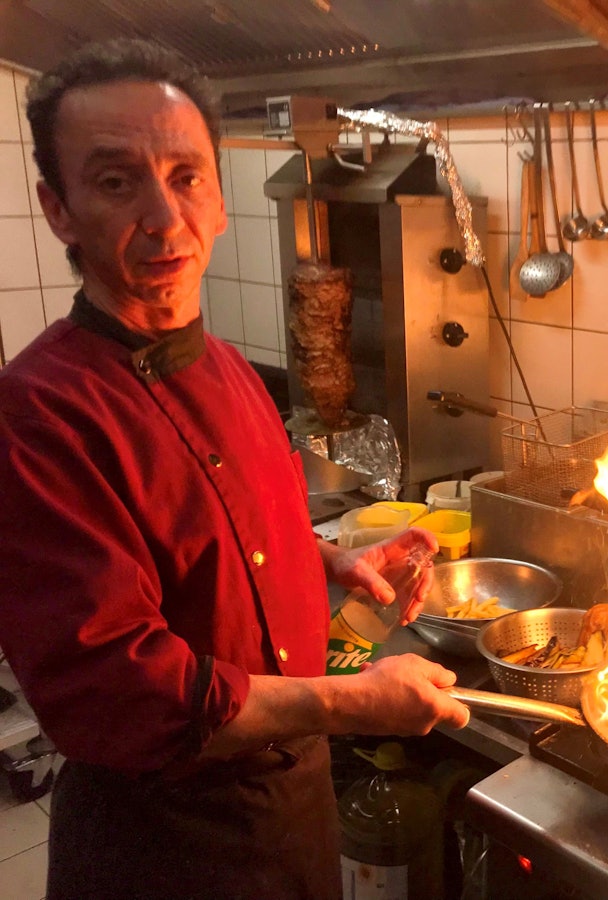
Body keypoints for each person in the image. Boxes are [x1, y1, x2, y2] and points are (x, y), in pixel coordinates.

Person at [0, 38, 470, 899]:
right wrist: (350, 701)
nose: (165, 218)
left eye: (186, 177)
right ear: (58, 210)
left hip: (292, 808)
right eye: (115, 182)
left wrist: (336, 564)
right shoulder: (37, 414)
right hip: (163, 845)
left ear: (219, 199)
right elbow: (125, 689)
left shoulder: (229, 372)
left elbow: (245, 541)